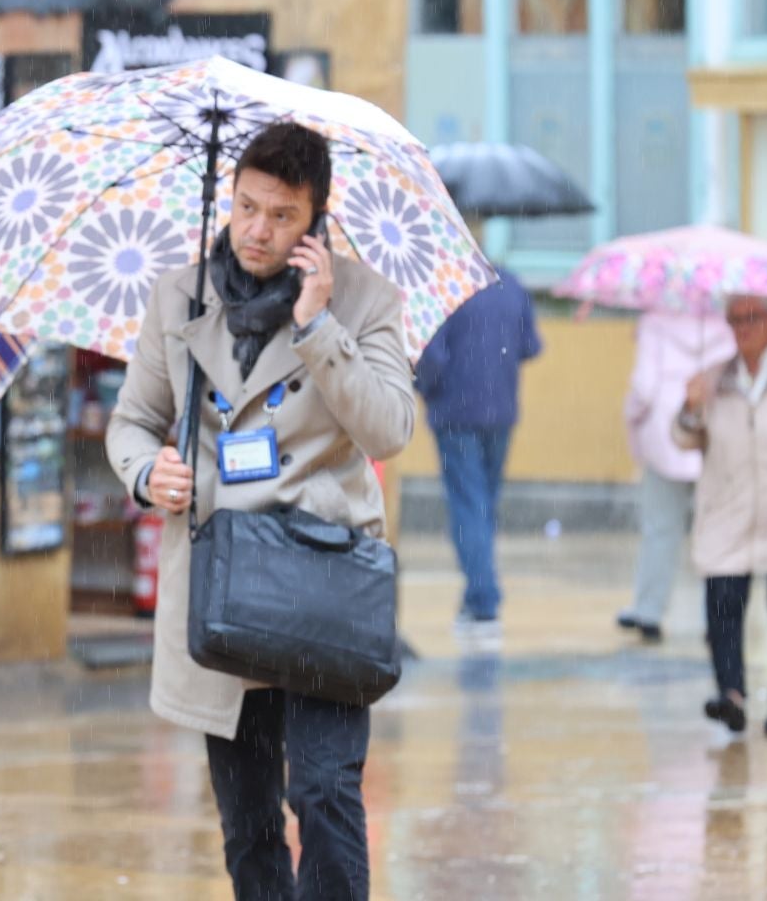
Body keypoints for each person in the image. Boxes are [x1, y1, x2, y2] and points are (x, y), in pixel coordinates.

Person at [108, 122, 414, 901]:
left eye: (281, 215)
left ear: (315, 219)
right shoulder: (180, 296)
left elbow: (389, 428)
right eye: (246, 207)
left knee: (323, 792)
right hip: (226, 581)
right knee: (247, 819)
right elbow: (132, 420)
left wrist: (318, 328)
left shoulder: (367, 300)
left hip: (322, 584)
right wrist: (150, 472)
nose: (257, 230)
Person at [414, 268, 542, 648]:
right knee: (485, 504)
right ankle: (478, 596)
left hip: (456, 411)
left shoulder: (445, 285)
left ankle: (483, 602)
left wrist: (424, 387)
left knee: (469, 506)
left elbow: (431, 356)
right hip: (500, 409)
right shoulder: (511, 283)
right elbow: (530, 346)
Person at [674, 293, 767, 735]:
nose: (742, 327)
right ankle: (731, 694)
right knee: (723, 611)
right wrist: (692, 407)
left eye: (752, 317)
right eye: (734, 319)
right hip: (728, 513)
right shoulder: (714, 378)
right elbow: (683, 439)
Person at [618, 312, 734, 642]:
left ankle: (649, 612)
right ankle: (716, 618)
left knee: (660, 530)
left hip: (665, 439)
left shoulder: (655, 323)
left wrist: (632, 417)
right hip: (713, 439)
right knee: (716, 533)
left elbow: (644, 387)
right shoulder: (728, 324)